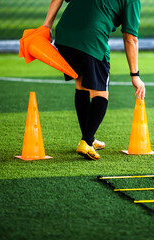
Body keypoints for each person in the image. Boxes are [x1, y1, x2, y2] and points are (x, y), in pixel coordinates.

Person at [43, 0, 146, 160]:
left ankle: (89, 138)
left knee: (82, 86)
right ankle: (86, 142)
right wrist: (135, 75)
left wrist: (46, 26)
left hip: (64, 34)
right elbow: (130, 38)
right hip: (91, 37)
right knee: (100, 94)